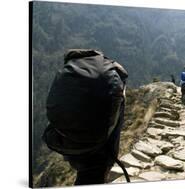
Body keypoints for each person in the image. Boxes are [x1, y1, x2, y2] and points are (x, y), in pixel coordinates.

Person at [42, 49, 128, 185]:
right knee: (94, 175)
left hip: (67, 140)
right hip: (98, 146)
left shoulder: (69, 72)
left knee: (85, 175)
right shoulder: (109, 70)